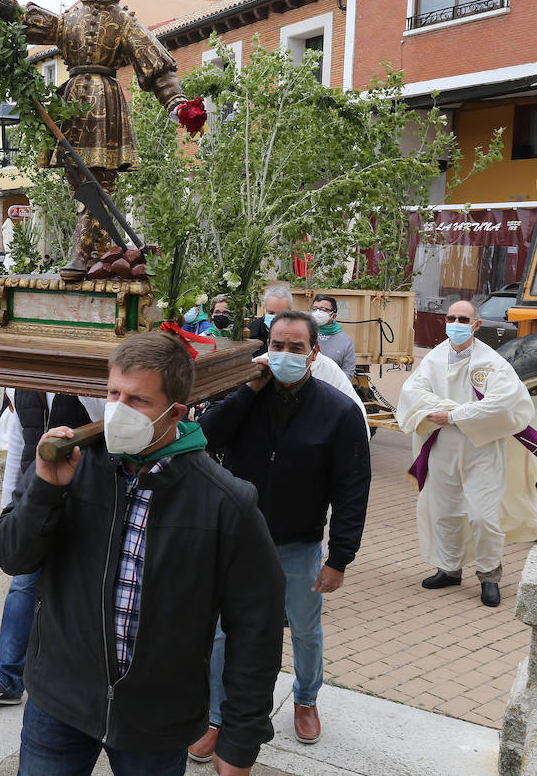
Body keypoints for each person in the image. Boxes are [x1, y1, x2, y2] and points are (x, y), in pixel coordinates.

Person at [0, 331, 283, 775]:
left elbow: (255, 628)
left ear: (175, 412)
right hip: (60, 703)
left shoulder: (225, 502)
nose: (118, 409)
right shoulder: (74, 465)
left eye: (138, 400)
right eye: (113, 393)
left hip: (156, 720)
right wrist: (45, 490)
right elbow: (12, 556)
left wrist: (240, 740)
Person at [197, 310, 372, 750]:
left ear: (314, 353)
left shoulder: (339, 411)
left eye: (297, 347)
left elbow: (352, 489)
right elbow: (205, 439)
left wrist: (340, 559)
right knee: (220, 631)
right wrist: (247, 391)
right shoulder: (243, 396)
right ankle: (216, 717)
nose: (286, 354)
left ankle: (306, 699)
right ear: (265, 349)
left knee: (305, 629)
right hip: (238, 540)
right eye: (278, 346)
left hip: (299, 543)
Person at [0, 0, 194, 281]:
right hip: (70, 106)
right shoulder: (68, 18)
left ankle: (80, 257)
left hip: (106, 106)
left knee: (99, 185)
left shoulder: (124, 22)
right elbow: (21, 21)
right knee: (82, 186)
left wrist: (178, 103)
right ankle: (102, 251)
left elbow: (158, 67)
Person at [396, 299, 537, 608]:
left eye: (463, 319)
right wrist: (460, 413)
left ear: (476, 325)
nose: (456, 323)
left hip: (482, 449)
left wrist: (454, 414)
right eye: (452, 317)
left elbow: (506, 404)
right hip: (443, 447)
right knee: (445, 512)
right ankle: (449, 569)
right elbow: (412, 395)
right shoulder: (434, 359)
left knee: (483, 516)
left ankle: (490, 576)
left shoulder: (492, 363)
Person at [0, 389, 101, 707]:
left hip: (88, 499)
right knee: (23, 583)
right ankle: (9, 676)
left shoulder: (90, 382)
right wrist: (9, 506)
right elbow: (20, 444)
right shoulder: (25, 382)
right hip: (37, 495)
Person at [311, 296, 357, 377]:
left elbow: (348, 371)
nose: (317, 312)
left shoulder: (345, 341)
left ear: (334, 316)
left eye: (323, 309)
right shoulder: (305, 335)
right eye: (314, 308)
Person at [247, 286, 293, 357]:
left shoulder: (296, 333)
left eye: (281, 314)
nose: (275, 318)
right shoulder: (251, 331)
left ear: (290, 311)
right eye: (271, 313)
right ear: (264, 308)